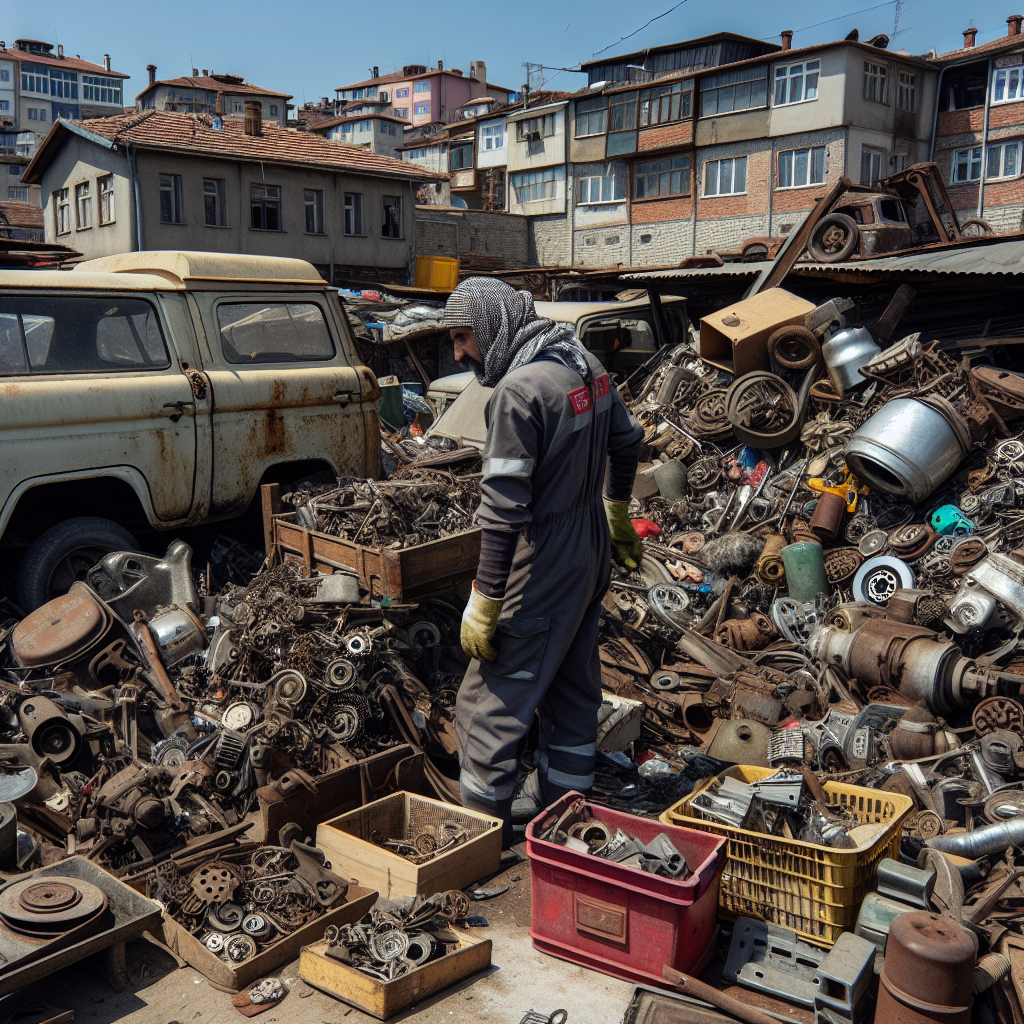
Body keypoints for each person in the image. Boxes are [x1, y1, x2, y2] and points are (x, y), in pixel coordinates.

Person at [443, 278, 644, 838]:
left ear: (493, 325)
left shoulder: (519, 391)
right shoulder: (583, 362)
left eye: (464, 337)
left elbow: (504, 510)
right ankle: (565, 818)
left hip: (543, 560)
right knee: (571, 686)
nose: (458, 353)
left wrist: (485, 598)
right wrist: (615, 512)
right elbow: (627, 441)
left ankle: (476, 840)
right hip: (590, 549)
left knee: (490, 704)